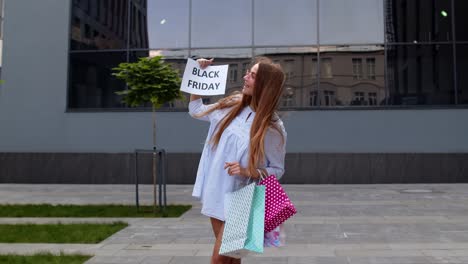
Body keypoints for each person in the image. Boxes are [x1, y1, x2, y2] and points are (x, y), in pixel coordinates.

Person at [188, 57, 287, 264]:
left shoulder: (273, 128)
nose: (245, 77)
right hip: (215, 190)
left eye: (252, 75)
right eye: (248, 72)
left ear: (264, 85)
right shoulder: (231, 106)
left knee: (220, 260)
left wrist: (248, 171)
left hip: (244, 197)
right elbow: (196, 110)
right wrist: (198, 72)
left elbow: (277, 169)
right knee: (232, 259)